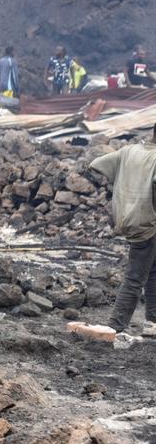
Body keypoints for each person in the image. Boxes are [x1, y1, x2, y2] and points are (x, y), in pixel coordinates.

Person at [90, 126, 156, 335]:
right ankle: (115, 325)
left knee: (153, 268)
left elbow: (97, 164)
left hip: (129, 217)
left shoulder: (130, 151)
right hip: (148, 222)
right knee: (135, 276)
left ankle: (152, 321)